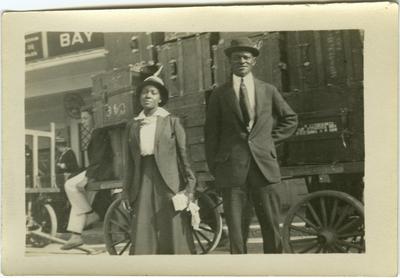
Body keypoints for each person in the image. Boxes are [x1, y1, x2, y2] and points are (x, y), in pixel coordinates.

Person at [204, 37, 298, 254]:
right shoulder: (219, 94)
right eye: (237, 58)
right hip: (231, 171)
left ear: (253, 61)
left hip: (263, 167)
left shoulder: (268, 90)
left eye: (246, 57)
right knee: (236, 232)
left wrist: (268, 141)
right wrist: (215, 167)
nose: (242, 61)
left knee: (271, 226)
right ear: (230, 62)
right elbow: (211, 134)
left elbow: (290, 119)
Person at [121, 74, 197, 255]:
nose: (147, 96)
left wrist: (190, 186)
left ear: (160, 98)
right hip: (143, 179)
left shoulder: (172, 122)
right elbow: (129, 162)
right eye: (144, 92)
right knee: (144, 224)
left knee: (172, 223)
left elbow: (184, 155)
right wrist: (126, 190)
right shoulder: (132, 125)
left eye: (153, 92)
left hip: (169, 179)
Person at [61, 107, 114, 250]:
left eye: (85, 118)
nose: (83, 121)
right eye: (82, 119)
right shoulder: (97, 131)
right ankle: (76, 235)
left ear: (94, 117)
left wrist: (87, 177)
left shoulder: (99, 131)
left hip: (102, 171)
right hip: (99, 169)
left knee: (71, 186)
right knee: (75, 193)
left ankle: (88, 217)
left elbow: (99, 157)